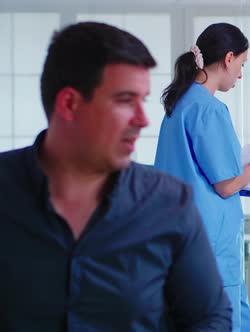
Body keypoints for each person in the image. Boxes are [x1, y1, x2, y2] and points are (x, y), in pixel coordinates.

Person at [0, 22, 232, 331]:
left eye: (143, 100)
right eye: (125, 100)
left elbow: (210, 318)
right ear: (69, 104)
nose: (142, 119)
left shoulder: (168, 204)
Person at [153, 23, 250, 332]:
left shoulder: (178, 106)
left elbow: (207, 174)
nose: (240, 74)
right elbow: (225, 184)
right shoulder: (209, 109)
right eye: (242, 64)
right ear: (228, 58)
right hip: (210, 245)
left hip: (184, 240)